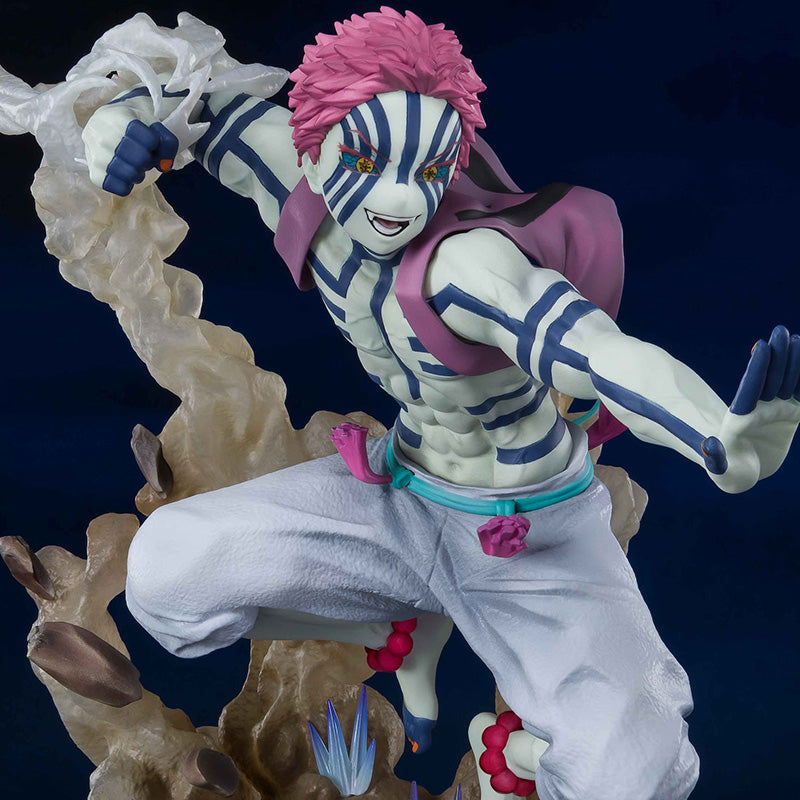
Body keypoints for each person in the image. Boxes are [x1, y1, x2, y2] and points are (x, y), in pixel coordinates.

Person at [81, 8, 800, 800]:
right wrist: (116, 125)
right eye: (368, 160)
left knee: (634, 776)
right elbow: (189, 98)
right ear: (314, 151)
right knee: (168, 571)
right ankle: (378, 626)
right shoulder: (295, 170)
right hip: (398, 498)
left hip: (529, 538)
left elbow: (599, 352)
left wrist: (713, 434)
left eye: (427, 169)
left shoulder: (468, 266)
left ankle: (518, 751)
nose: (399, 198)